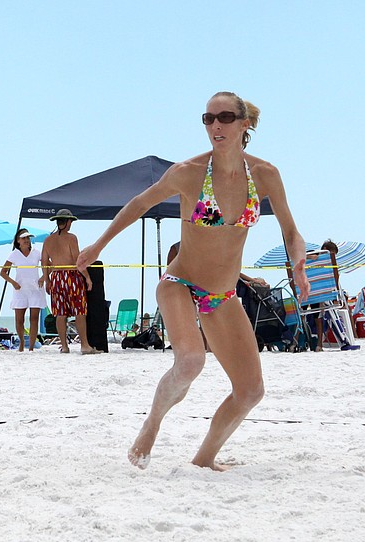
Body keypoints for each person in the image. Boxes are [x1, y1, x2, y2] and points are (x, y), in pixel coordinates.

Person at [78, 91, 310, 471]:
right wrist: (99, 245)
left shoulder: (265, 175)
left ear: (244, 124)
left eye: (225, 117)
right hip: (180, 282)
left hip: (223, 295)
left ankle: (204, 459)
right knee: (189, 361)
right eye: (208, 118)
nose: (215, 125)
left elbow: (291, 231)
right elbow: (141, 203)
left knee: (251, 391)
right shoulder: (189, 172)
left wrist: (298, 264)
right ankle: (152, 423)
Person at [41, 209, 98, 354]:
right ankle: (84, 345)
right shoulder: (71, 238)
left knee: (60, 313)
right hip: (71, 276)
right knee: (79, 311)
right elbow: (76, 260)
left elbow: (44, 261)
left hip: (56, 277)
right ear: (67, 222)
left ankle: (65, 346)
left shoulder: (48, 240)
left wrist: (47, 280)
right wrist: (87, 277)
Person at [0, 229, 46, 352]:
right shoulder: (14, 254)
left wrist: (43, 277)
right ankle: (21, 343)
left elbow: (49, 266)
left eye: (28, 238)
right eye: (23, 238)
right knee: (19, 319)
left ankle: (31, 346)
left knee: (34, 319)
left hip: (35, 289)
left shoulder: (37, 253)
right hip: (20, 290)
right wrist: (13, 283)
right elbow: (3, 272)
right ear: (18, 241)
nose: (26, 240)